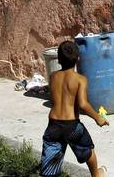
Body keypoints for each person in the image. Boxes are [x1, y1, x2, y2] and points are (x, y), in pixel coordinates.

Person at [40, 40, 108, 177]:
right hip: (72, 126)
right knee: (87, 150)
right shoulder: (80, 79)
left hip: (53, 124)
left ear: (58, 59)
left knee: (51, 163)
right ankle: (96, 175)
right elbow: (83, 104)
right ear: (78, 59)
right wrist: (98, 117)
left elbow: (55, 100)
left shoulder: (53, 77)